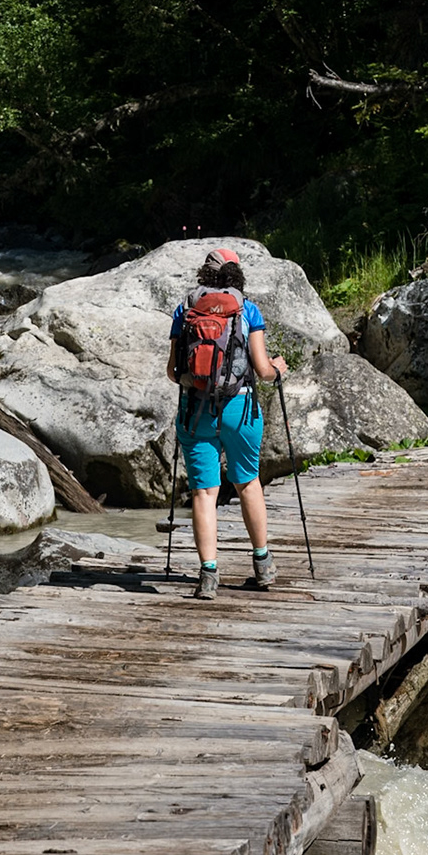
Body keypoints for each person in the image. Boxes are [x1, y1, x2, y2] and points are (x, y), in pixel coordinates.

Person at [166, 248, 289, 599]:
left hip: (196, 411)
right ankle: (262, 566)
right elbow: (263, 370)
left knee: (205, 492)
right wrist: (279, 368)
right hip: (240, 408)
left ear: (205, 274)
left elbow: (173, 372)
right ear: (236, 274)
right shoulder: (247, 309)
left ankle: (208, 575)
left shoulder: (185, 310)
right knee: (248, 483)